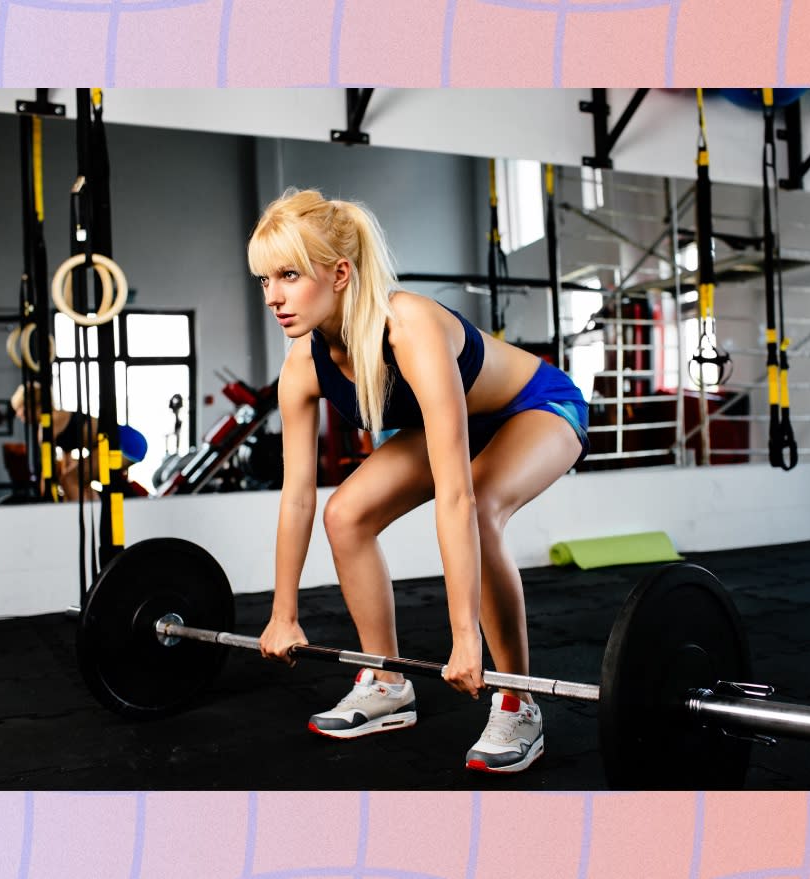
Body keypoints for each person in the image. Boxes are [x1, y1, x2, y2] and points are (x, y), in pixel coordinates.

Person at [251, 188, 589, 774]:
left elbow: (455, 493)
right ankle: (385, 682)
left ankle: (518, 699)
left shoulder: (406, 326)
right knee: (346, 514)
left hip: (535, 407)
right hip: (459, 420)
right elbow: (299, 495)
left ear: (339, 273)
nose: (274, 297)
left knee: (481, 504)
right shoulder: (302, 365)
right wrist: (284, 613)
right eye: (263, 280)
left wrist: (465, 638)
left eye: (288, 275)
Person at [10, 382, 149, 500]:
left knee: (70, 480)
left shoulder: (49, 424)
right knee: (78, 479)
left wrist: (43, 500)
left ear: (31, 406)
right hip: (124, 441)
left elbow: (48, 471)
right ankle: (95, 515)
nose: (18, 414)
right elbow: (67, 464)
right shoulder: (55, 420)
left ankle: (85, 523)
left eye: (19, 409)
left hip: (126, 443)